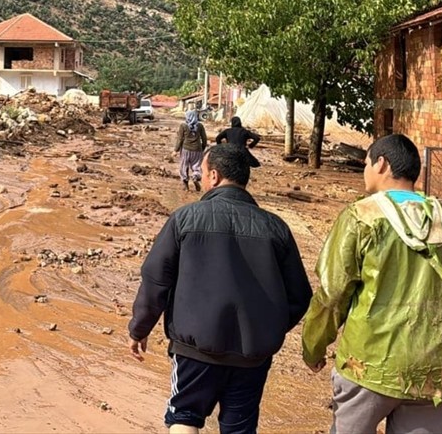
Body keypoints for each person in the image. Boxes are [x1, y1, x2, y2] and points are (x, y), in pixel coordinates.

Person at [302, 133, 442, 434]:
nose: (364, 171)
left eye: (366, 163)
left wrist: (313, 347)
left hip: (367, 367)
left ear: (381, 164)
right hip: (436, 374)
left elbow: (333, 294)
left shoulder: (360, 217)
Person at [129, 144, 313, 434]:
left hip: (195, 351)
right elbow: (300, 296)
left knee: (184, 417)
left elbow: (155, 281)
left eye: (202, 173)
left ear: (213, 176)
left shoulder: (185, 219)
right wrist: (265, 330)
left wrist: (139, 329)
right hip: (252, 356)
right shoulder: (276, 228)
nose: (201, 179)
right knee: (239, 428)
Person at [174, 109, 208, 191]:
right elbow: (204, 138)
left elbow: (180, 139)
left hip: (186, 149)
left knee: (184, 166)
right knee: (196, 167)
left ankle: (185, 185)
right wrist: (203, 148)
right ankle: (195, 178)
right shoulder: (200, 126)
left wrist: (176, 150)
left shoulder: (183, 126)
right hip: (197, 149)